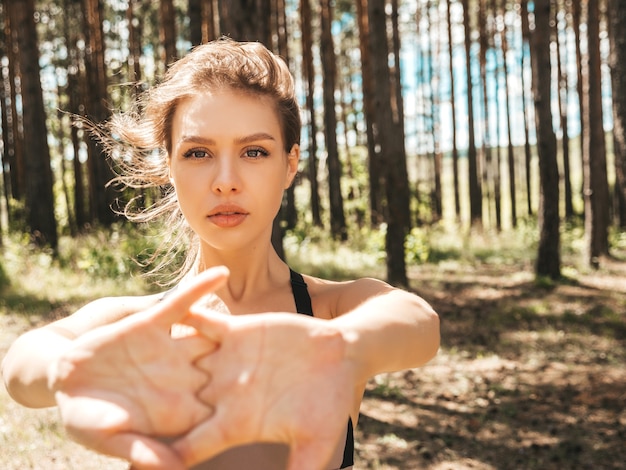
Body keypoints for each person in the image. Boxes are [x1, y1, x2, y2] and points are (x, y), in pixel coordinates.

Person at [1, 38, 440, 470]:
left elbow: (418, 322)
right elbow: (23, 362)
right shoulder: (139, 329)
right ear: (169, 167)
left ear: (289, 164)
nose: (226, 180)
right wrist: (69, 368)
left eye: (254, 151)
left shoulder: (330, 314)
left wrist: (341, 348)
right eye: (198, 152)